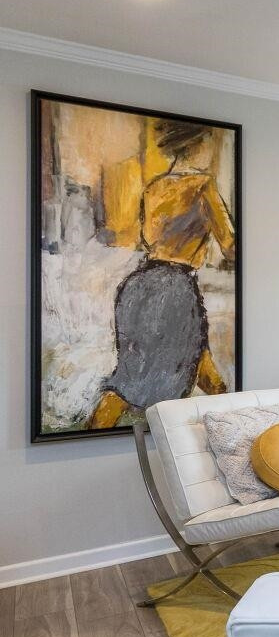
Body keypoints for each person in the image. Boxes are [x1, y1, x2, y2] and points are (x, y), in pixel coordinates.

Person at [87, 120, 235, 428]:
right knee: (136, 385)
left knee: (201, 379)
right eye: (207, 142)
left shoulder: (154, 188)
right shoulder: (204, 185)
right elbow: (231, 245)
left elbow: (149, 239)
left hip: (139, 286)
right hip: (176, 293)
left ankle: (229, 425)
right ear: (197, 144)